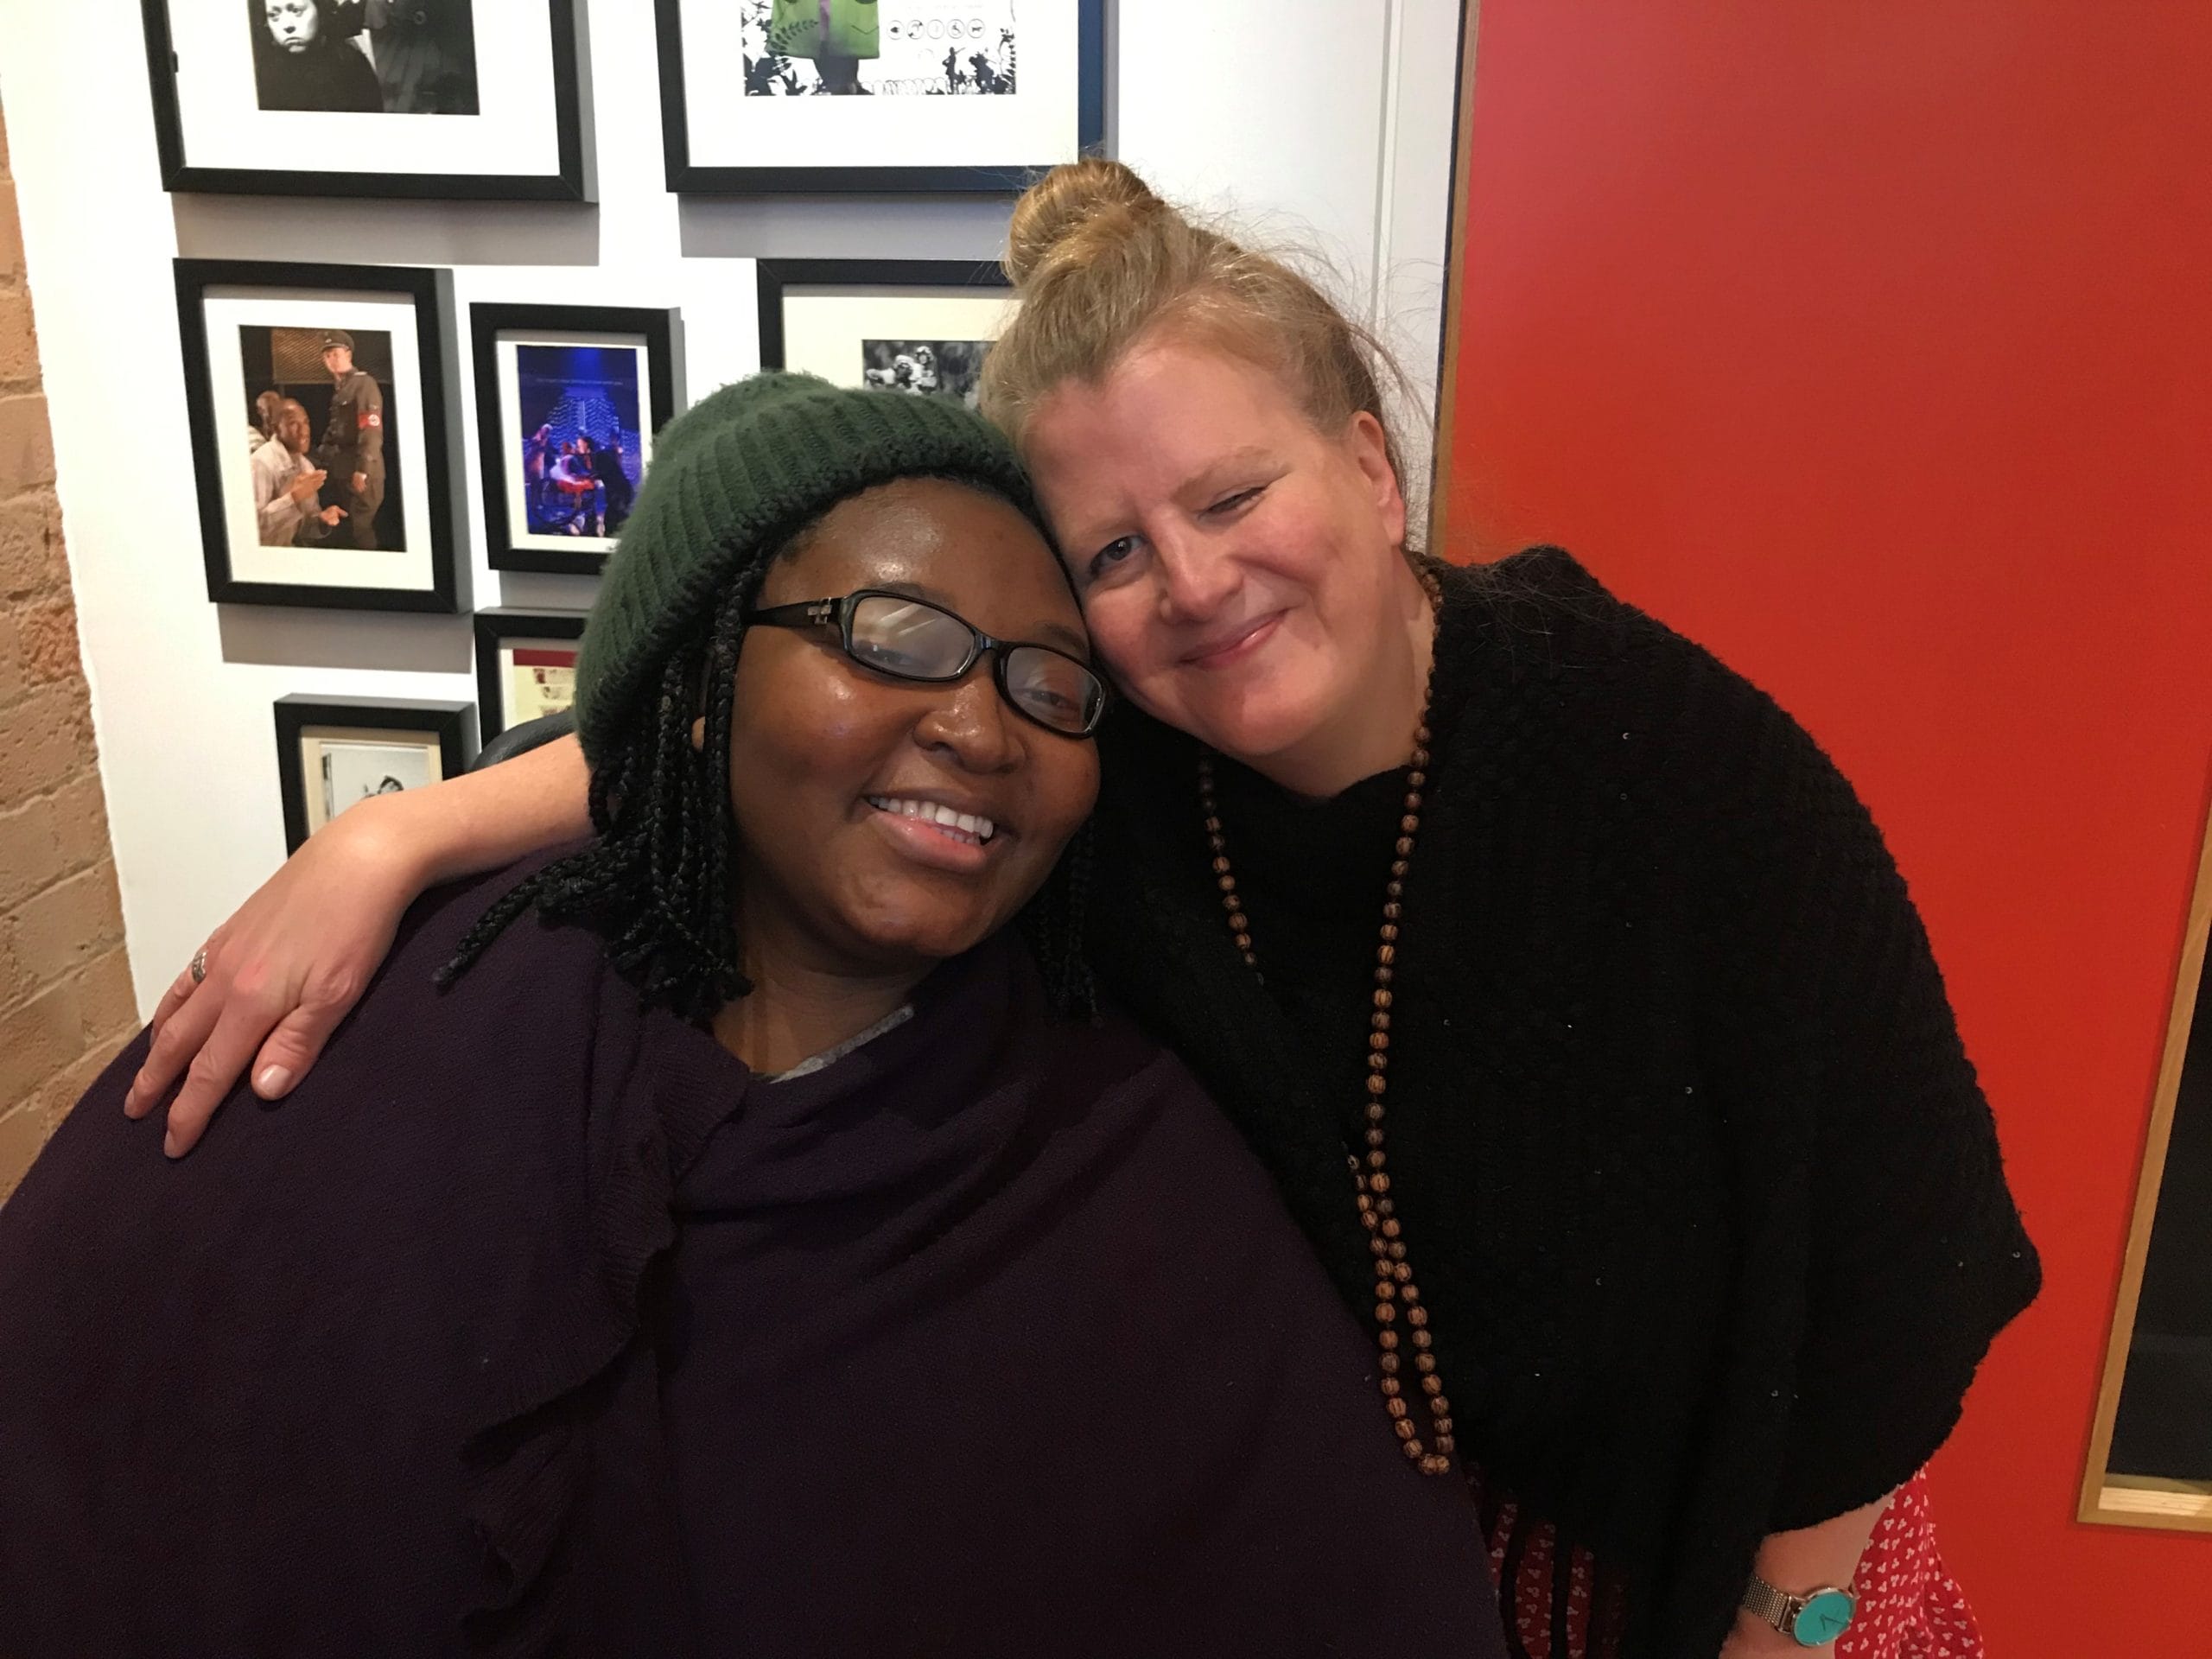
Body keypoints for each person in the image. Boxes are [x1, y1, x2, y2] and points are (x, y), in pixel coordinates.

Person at [123, 162, 2041, 1659]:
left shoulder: (1670, 766)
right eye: (1115, 555)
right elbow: (754, 741)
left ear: (1369, 465)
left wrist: (1772, 1625)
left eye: (1233, 493)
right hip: (1428, 1566)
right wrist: (391, 838)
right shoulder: (1114, 781)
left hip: (1766, 1569)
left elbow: (1883, 1254)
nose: (1192, 584)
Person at [0, 377, 1510, 1657]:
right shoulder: (399, 1031)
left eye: (1051, 685)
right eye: (896, 638)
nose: (985, 728)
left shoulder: (1128, 1174)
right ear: (708, 681)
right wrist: (385, 839)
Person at [313, 329, 385, 550]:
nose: (331, 360)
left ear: (348, 355)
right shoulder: (342, 388)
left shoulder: (363, 384)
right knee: (349, 528)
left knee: (360, 529)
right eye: (327, 356)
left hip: (362, 471)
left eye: (335, 354)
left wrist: (362, 469)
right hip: (343, 469)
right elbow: (335, 430)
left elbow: (371, 430)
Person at [250, 0, 383, 113]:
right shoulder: (263, 72)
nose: (287, 26)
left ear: (320, 9)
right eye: (273, 15)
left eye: (296, 10)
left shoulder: (351, 64)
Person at [249, 396, 347, 546]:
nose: (304, 431)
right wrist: (294, 498)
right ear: (276, 428)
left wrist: (321, 521)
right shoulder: (261, 463)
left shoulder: (306, 466)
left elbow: (304, 528)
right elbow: (253, 528)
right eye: (293, 423)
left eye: (306, 422)